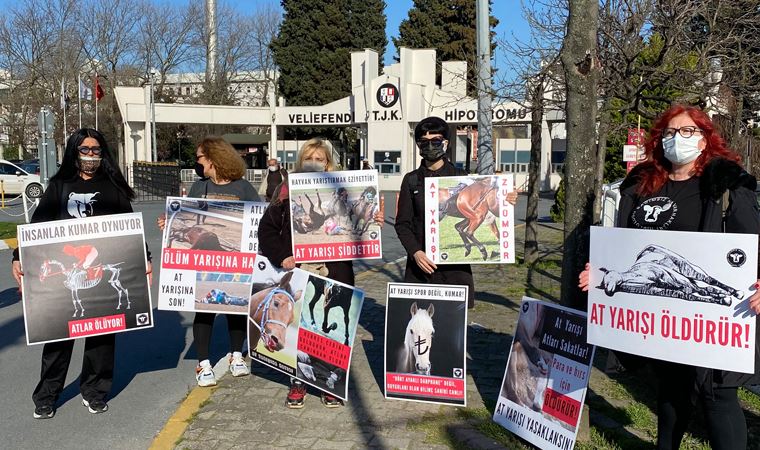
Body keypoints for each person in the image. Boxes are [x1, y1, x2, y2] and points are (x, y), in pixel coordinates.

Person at [578, 104, 760, 450]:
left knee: (716, 394)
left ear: (706, 139)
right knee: (672, 388)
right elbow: (621, 245)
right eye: (671, 132)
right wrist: (599, 274)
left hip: (716, 320)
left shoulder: (726, 186)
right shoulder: (642, 186)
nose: (678, 139)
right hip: (664, 319)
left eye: (688, 131)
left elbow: (754, 242)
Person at [11, 128, 152, 418]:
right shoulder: (60, 186)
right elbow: (37, 227)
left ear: (103, 153)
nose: (90, 155)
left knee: (102, 336)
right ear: (74, 152)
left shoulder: (113, 187)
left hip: (97, 260)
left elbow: (130, 230)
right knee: (57, 336)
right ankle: (47, 395)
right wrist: (17, 256)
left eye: (96, 149)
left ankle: (95, 391)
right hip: (69, 263)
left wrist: (144, 259)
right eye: (84, 149)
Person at [257, 137, 383, 409]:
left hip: (336, 269)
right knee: (302, 326)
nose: (313, 163)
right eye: (309, 158)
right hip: (301, 268)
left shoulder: (344, 189)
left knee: (333, 325)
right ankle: (299, 381)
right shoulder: (285, 190)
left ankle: (330, 382)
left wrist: (375, 220)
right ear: (301, 161)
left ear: (328, 165)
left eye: (320, 159)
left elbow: (358, 225)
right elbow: (266, 231)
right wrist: (282, 256)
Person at [158, 137, 261, 387]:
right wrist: (168, 222)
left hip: (234, 262)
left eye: (200, 157)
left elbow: (259, 220)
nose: (197, 162)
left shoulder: (243, 187)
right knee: (204, 309)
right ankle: (203, 362)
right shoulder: (199, 187)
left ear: (214, 159)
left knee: (235, 310)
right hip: (204, 261)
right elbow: (187, 215)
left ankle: (237, 355)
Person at [394, 116, 517, 309]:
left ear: (445, 143)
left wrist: (507, 199)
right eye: (423, 142)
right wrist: (416, 253)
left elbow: (488, 204)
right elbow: (403, 223)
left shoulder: (462, 177)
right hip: (421, 268)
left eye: (435, 141)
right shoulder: (411, 180)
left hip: (455, 271)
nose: (430, 146)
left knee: (453, 332)